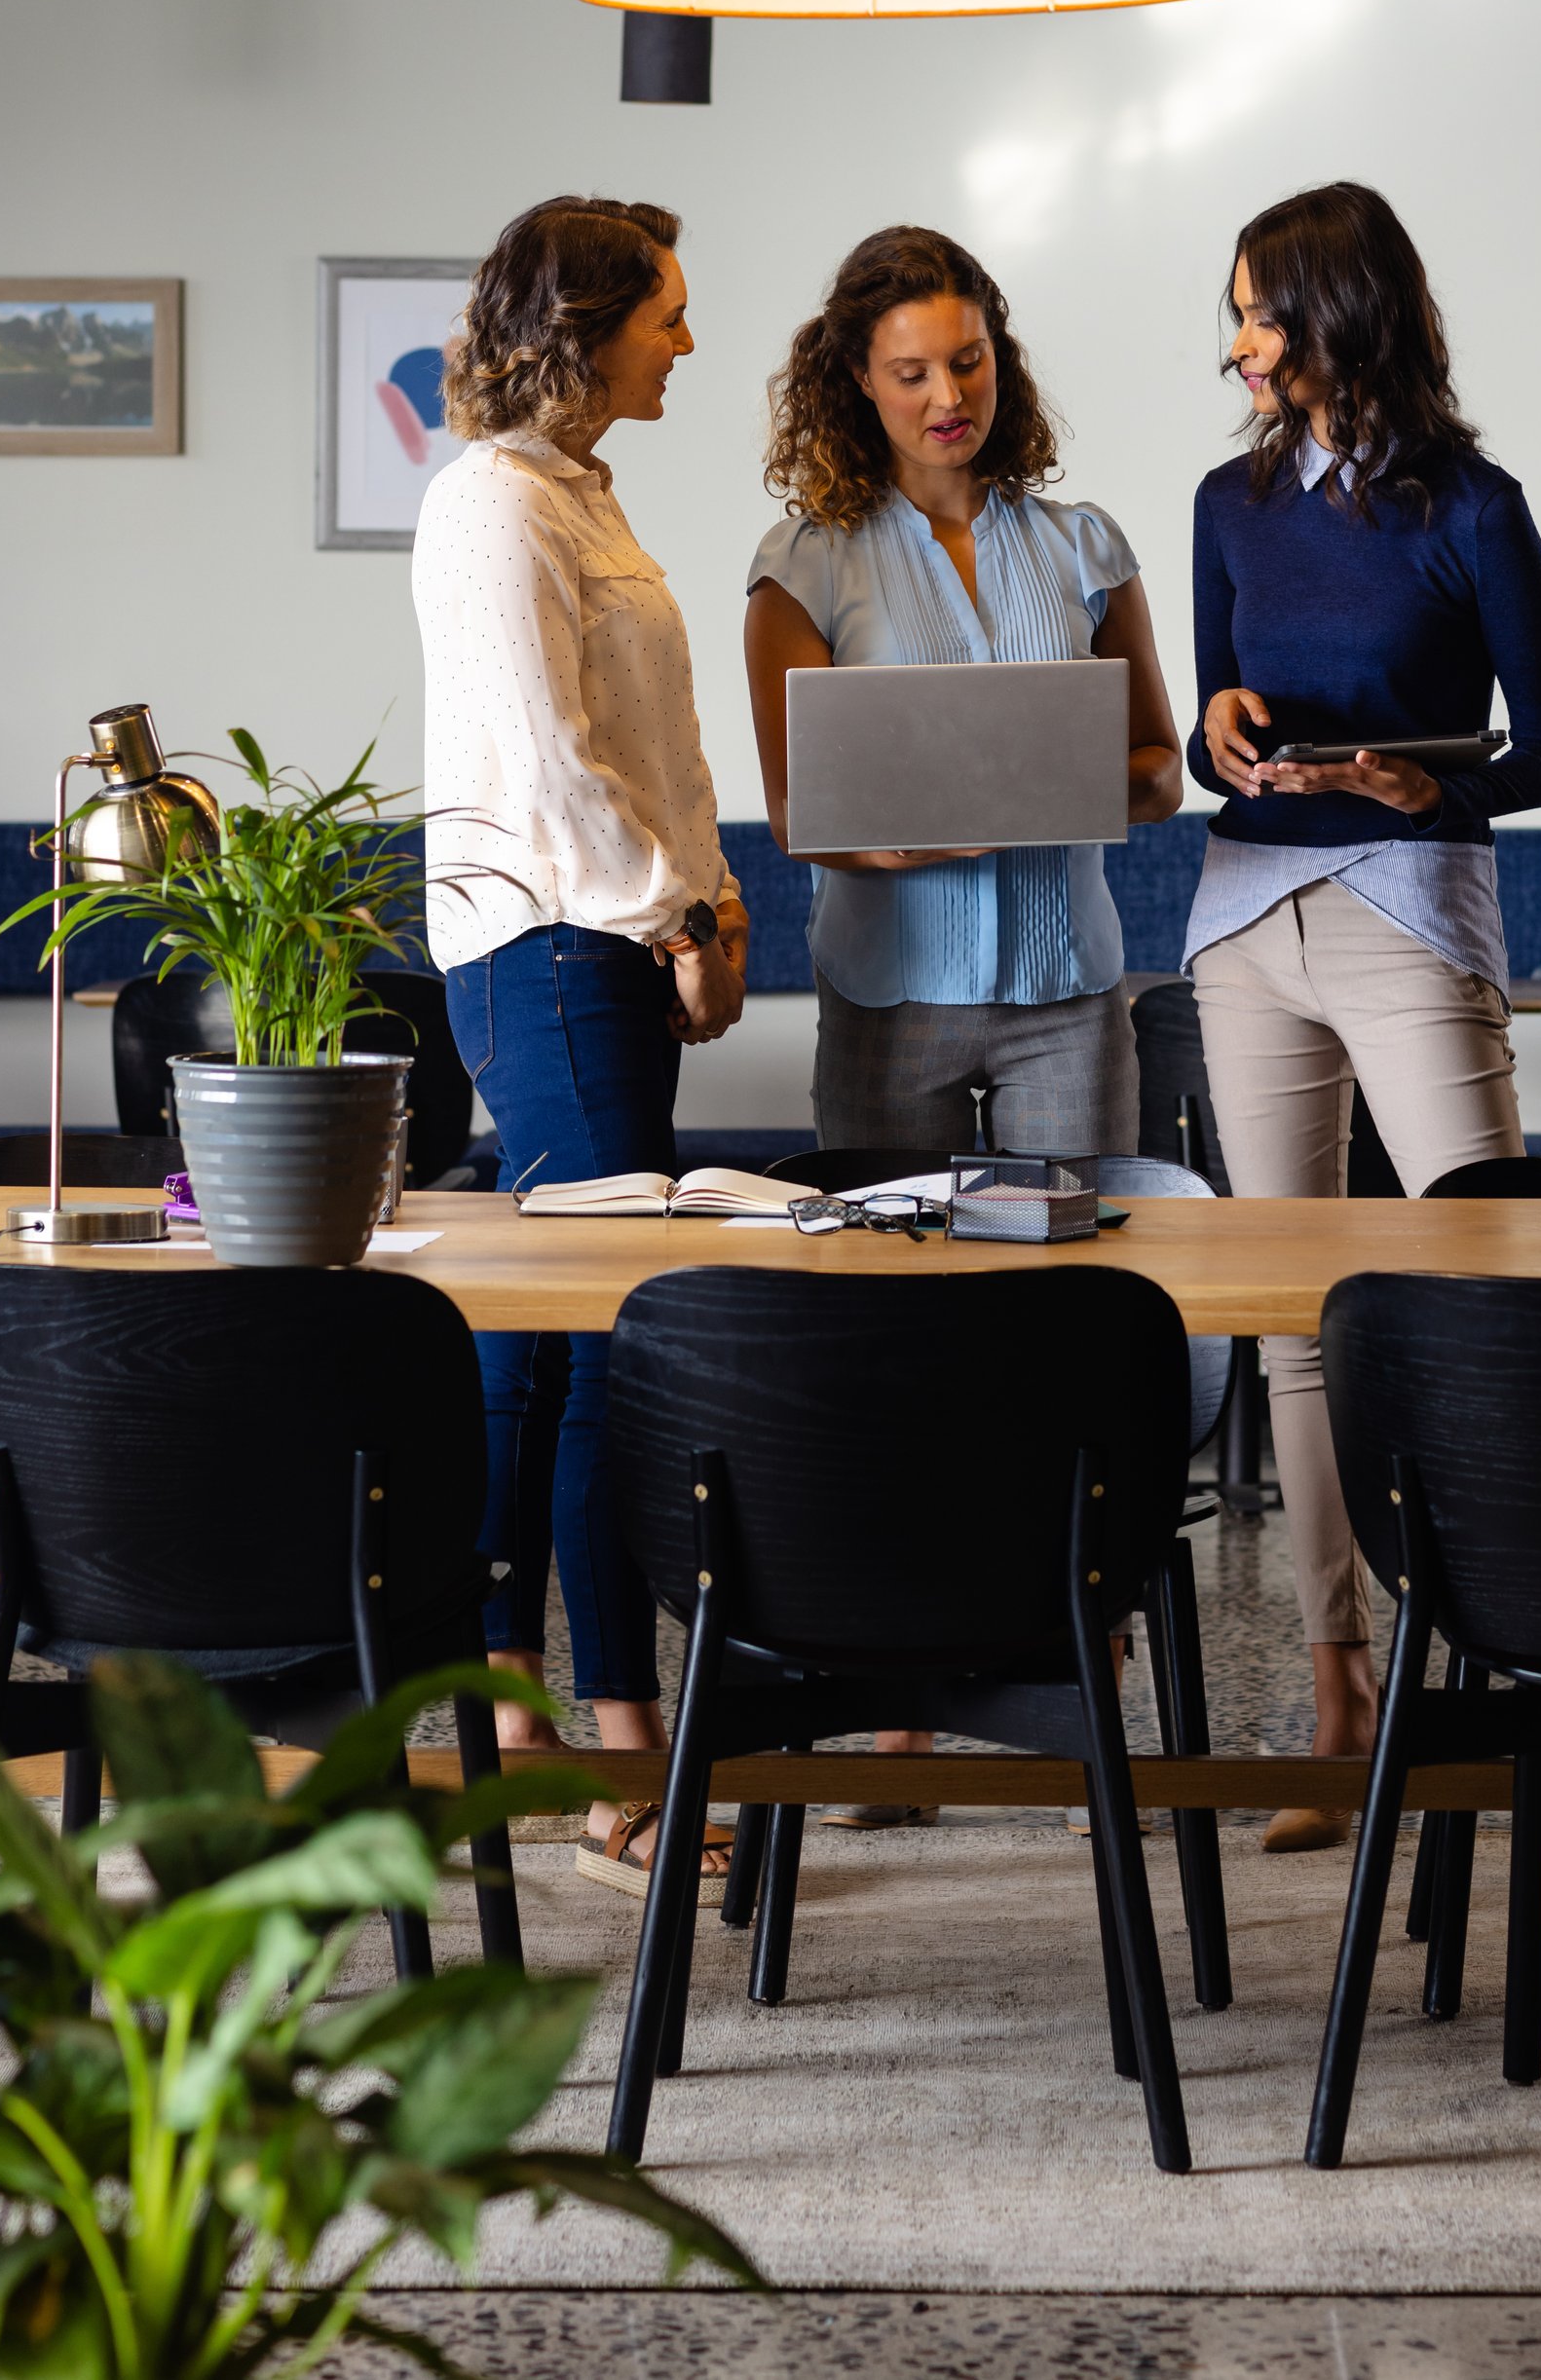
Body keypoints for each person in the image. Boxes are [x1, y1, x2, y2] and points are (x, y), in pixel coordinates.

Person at [1184, 181, 1541, 1853]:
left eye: (1260, 314)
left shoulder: (1475, 508)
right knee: (1294, 1311)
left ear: (1340, 317)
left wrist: (1428, 770)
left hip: (1413, 910)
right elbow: (1214, 718)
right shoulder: (1225, 498)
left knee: (1490, 1292)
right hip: (1245, 917)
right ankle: (1341, 1687)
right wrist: (1219, 724)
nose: (1237, 343)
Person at [414, 193, 747, 1901]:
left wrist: (708, 899)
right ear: (589, 321)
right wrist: (669, 913)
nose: (687, 339)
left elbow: (650, 745)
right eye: (667, 312)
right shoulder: (485, 503)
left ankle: (521, 1723)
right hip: (549, 945)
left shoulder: (583, 495)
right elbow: (543, 763)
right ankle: (627, 1754)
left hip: (611, 941)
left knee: (549, 1351)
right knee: (612, 1341)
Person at [746, 223, 1184, 1168]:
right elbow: (794, 816)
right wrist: (906, 840)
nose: (949, 397)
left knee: (1065, 1290)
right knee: (895, 1302)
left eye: (969, 361)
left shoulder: (1086, 546)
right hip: (889, 1001)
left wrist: (1050, 789)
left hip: (1067, 1000)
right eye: (911, 373)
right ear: (859, 378)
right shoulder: (807, 562)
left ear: (1000, 360)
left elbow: (1160, 776)